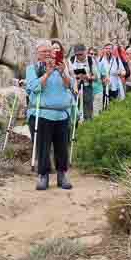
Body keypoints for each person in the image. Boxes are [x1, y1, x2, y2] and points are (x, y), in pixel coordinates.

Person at [26, 40, 76, 191]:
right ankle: (43, 176)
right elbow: (33, 87)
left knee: (62, 147)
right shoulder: (33, 68)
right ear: (38, 55)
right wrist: (47, 74)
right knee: (43, 147)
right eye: (44, 52)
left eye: (50, 51)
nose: (48, 54)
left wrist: (62, 73)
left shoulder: (62, 67)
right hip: (42, 114)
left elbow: (70, 86)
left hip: (62, 114)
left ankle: (62, 175)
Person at [70, 44, 100, 121]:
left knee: (88, 108)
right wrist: (76, 77)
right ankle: (74, 125)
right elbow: (69, 75)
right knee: (75, 107)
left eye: (81, 54)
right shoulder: (71, 60)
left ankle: (88, 124)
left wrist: (87, 77)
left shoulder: (90, 60)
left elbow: (96, 77)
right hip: (75, 87)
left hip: (87, 86)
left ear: (85, 52)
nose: (79, 56)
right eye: (77, 54)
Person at [88, 46, 107, 117]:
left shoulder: (100, 64)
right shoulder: (85, 64)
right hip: (87, 92)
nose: (92, 56)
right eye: (91, 54)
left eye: (95, 54)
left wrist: (105, 80)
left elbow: (104, 77)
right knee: (88, 114)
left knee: (96, 113)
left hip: (98, 90)